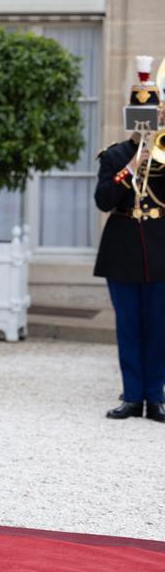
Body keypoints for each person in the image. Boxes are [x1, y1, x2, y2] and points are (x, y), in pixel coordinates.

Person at [94, 120, 165, 423]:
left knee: (158, 328)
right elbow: (103, 200)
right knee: (129, 327)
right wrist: (134, 165)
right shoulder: (113, 156)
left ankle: (156, 398)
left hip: (160, 248)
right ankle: (133, 397)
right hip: (122, 250)